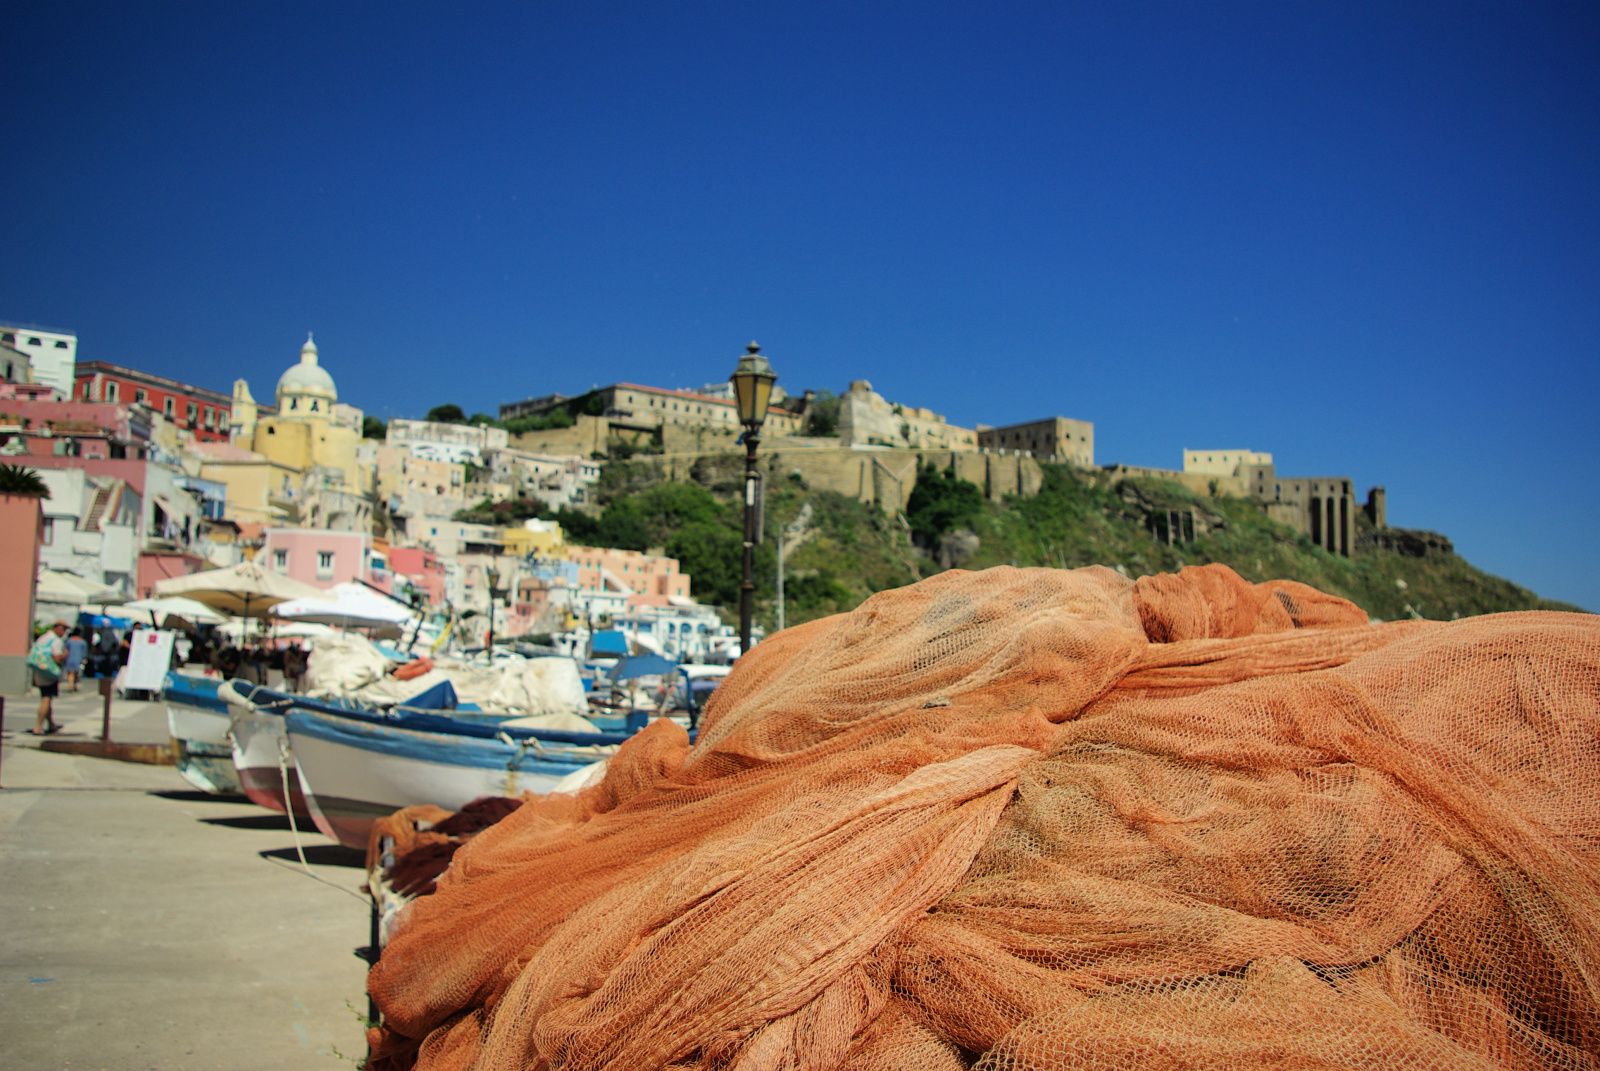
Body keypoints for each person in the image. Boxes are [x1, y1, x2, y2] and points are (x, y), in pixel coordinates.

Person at [26, 621, 69, 735]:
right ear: (57, 628)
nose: (64, 632)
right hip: (49, 672)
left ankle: (51, 724)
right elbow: (56, 658)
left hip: (39, 670)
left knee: (47, 698)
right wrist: (64, 655)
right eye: (63, 629)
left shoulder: (43, 638)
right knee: (46, 698)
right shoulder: (56, 641)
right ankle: (38, 727)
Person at [64, 627, 88, 693]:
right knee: (77, 673)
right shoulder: (83, 642)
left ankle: (70, 686)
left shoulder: (69, 641)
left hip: (70, 659)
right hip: (79, 659)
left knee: (70, 673)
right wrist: (85, 659)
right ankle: (75, 685)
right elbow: (84, 652)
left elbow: (65, 650)